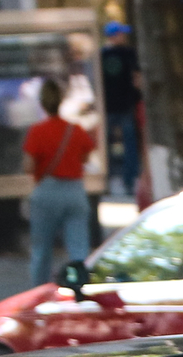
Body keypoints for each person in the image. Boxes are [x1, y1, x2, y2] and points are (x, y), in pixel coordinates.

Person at [23, 78, 97, 286]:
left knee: (41, 249)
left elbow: (28, 166)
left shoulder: (37, 131)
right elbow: (85, 158)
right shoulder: (75, 130)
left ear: (42, 103)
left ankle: (39, 291)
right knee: (78, 246)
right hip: (74, 191)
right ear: (62, 101)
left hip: (46, 191)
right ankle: (79, 286)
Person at [99, 21, 142, 196]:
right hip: (124, 106)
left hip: (108, 108)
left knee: (107, 148)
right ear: (114, 35)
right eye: (121, 34)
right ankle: (128, 182)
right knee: (129, 146)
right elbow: (136, 78)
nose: (124, 37)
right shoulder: (128, 53)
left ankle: (107, 182)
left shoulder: (101, 55)